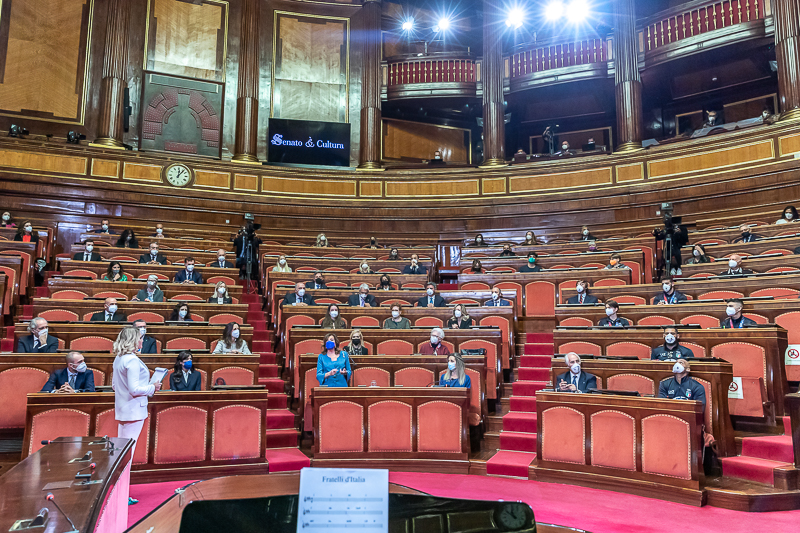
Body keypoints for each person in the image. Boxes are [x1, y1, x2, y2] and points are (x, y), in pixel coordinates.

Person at [112, 326, 160, 507]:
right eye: (140, 338)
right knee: (126, 456)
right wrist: (152, 387)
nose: (142, 341)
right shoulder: (131, 361)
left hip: (124, 409)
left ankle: (120, 494)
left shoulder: (119, 359)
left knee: (123, 454)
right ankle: (121, 496)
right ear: (133, 340)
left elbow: (116, 386)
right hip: (133, 410)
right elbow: (134, 389)